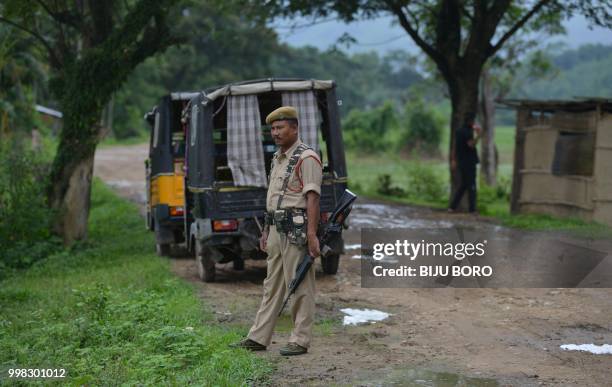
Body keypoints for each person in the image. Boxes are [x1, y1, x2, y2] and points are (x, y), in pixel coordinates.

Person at [230, 106, 322, 356]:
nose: (275, 133)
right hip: (275, 229)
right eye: (272, 128)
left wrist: (312, 235)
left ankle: (300, 340)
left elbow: (312, 198)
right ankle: (258, 337)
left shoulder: (307, 157)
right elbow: (274, 198)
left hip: (296, 230)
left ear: (294, 128)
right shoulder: (277, 158)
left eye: (280, 128)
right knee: (272, 285)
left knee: (300, 284)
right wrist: (265, 230)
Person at [449, 113, 482, 213]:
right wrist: (478, 135)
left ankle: (452, 207)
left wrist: (454, 160)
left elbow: (455, 146)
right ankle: (472, 209)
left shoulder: (459, 131)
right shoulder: (467, 132)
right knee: (472, 185)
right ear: (470, 122)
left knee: (464, 185)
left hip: (461, 161)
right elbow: (471, 145)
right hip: (469, 162)